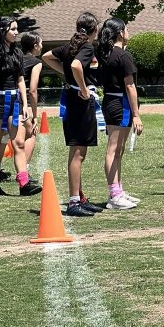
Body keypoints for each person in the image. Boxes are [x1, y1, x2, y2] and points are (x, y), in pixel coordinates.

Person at [42, 12, 106, 216]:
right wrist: (84, 88)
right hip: (80, 102)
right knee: (78, 152)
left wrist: (65, 74)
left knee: (79, 151)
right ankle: (73, 202)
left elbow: (46, 57)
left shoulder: (71, 46)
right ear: (94, 29)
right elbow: (76, 65)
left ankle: (79, 197)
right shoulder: (86, 47)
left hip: (71, 98)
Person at [0, 16, 42, 197]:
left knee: (18, 143)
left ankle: (24, 184)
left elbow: (21, 80)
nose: (16, 32)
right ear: (2, 31)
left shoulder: (17, 53)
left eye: (17, 29)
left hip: (15, 102)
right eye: (13, 29)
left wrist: (25, 104)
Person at [97, 18, 143, 210]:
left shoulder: (106, 54)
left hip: (111, 101)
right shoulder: (123, 56)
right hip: (119, 103)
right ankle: (114, 194)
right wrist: (136, 114)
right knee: (113, 150)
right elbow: (130, 85)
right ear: (121, 32)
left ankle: (118, 190)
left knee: (119, 150)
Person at [20, 31, 43, 180]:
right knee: (31, 133)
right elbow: (33, 90)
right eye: (41, 44)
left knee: (0, 138)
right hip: (20, 103)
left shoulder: (15, 58)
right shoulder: (36, 62)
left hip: (3, 100)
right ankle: (24, 171)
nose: (42, 47)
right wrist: (34, 115)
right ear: (35, 46)